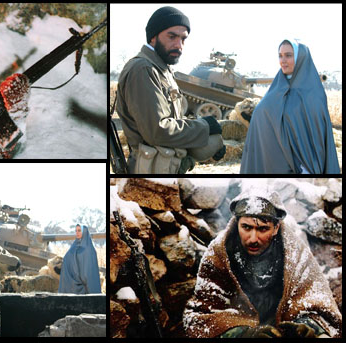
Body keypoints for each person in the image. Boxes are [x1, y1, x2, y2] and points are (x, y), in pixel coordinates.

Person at [183, 188, 342, 338]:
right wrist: (242, 334)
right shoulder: (219, 252)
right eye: (246, 227)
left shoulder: (295, 253)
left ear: (276, 228)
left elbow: (320, 307)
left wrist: (307, 327)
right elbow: (201, 317)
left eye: (263, 229)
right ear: (237, 223)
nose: (253, 238)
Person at [116, 6, 225, 174]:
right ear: (153, 37)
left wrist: (206, 147)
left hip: (165, 171)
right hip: (149, 177)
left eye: (183, 39)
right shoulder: (143, 69)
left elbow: (175, 123)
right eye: (172, 36)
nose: (179, 45)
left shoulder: (163, 70)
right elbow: (158, 131)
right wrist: (204, 127)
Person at [240, 39, 340, 174]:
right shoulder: (275, 90)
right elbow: (262, 119)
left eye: (288, 55)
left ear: (300, 58)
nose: (283, 60)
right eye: (280, 56)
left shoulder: (313, 94)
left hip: (305, 168)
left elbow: (317, 137)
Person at [58, 224, 101, 294]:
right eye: (76, 231)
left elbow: (90, 272)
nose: (77, 233)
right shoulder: (74, 246)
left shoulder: (89, 250)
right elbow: (67, 260)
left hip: (85, 287)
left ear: (84, 232)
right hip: (71, 283)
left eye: (79, 231)